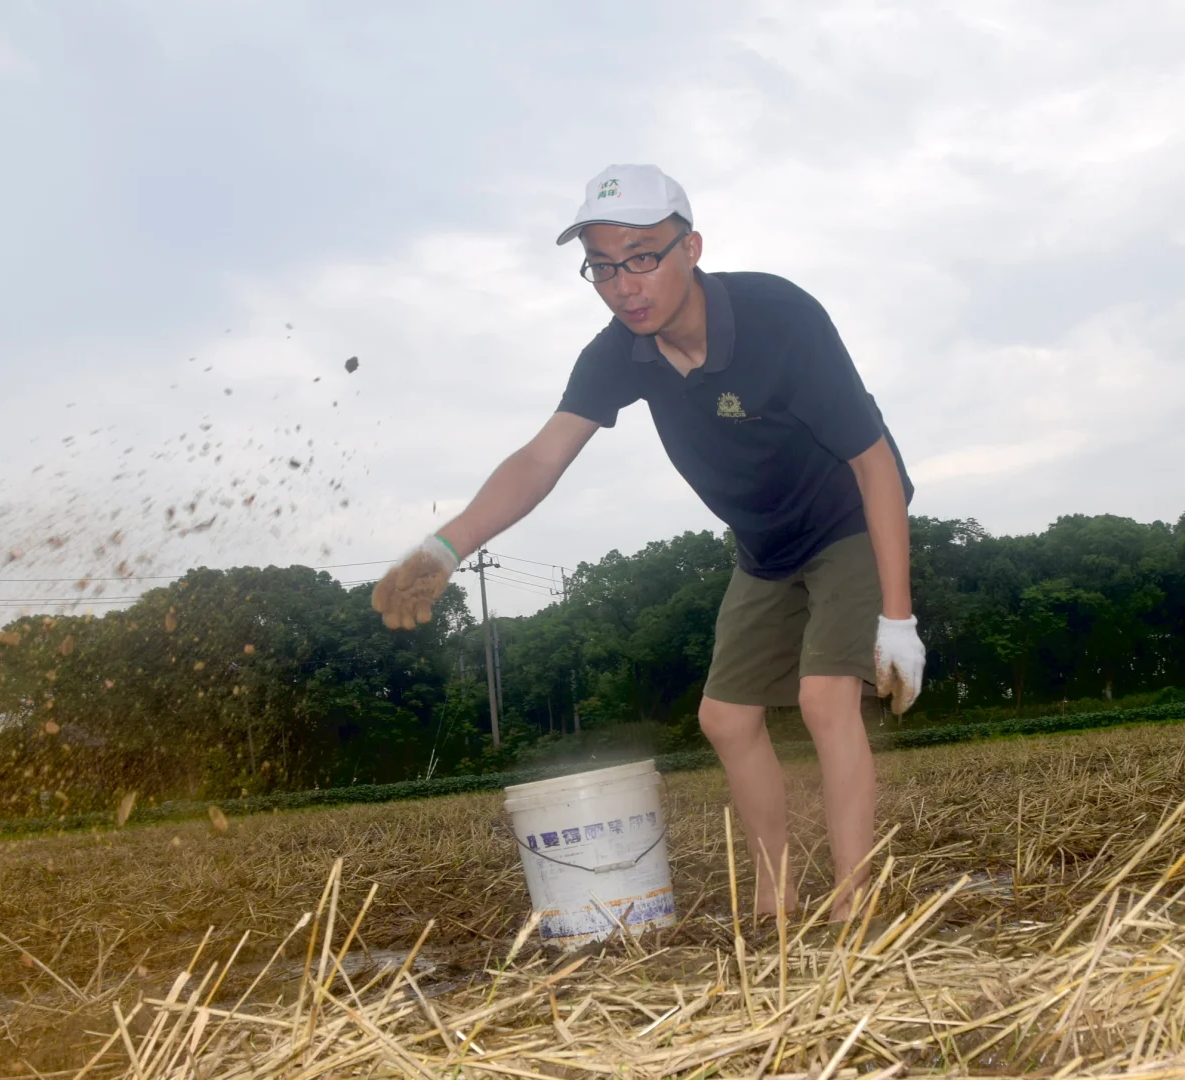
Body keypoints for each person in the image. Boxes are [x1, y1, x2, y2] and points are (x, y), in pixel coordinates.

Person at [371, 164, 925, 921]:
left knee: (824, 698)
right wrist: (444, 547)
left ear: (690, 248)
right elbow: (541, 459)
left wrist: (897, 618)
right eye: (601, 267)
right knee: (725, 718)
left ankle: (856, 905)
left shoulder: (780, 318)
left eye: (641, 258)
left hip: (850, 516)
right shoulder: (618, 354)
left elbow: (875, 463)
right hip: (765, 546)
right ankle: (775, 899)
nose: (623, 285)